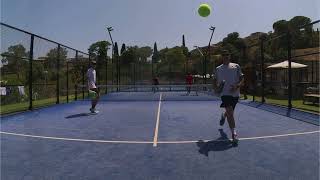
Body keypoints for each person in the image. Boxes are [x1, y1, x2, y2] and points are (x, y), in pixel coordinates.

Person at [214, 50, 244, 143]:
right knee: (230, 112)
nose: (226, 56)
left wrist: (237, 86)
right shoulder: (218, 69)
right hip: (224, 94)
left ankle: (224, 115)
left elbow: (242, 78)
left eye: (227, 55)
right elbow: (214, 80)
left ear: (230, 56)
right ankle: (234, 134)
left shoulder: (236, 66)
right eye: (224, 55)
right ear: (221, 57)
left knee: (229, 112)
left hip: (235, 94)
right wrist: (216, 88)